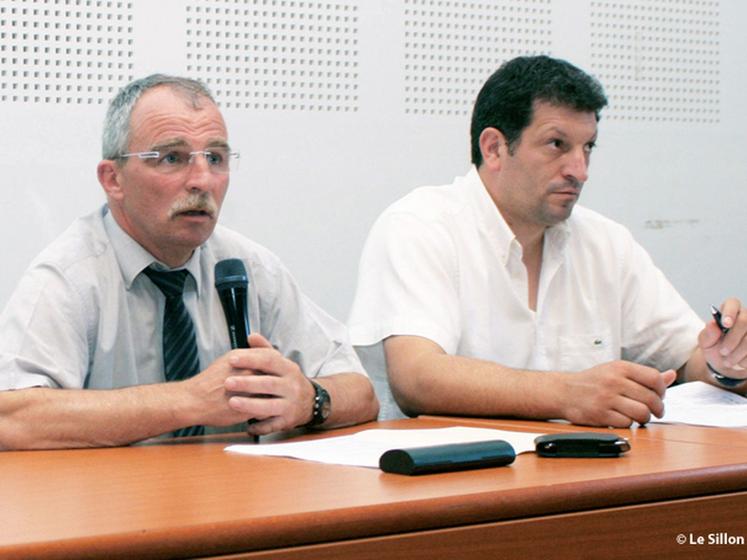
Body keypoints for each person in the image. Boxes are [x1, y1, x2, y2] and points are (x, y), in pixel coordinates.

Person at [348, 55, 746, 427]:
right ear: (494, 148)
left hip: (583, 481)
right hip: (446, 486)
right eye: (557, 145)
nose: (580, 170)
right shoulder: (420, 225)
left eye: (587, 147)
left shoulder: (606, 243)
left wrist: (724, 364)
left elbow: (687, 360)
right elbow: (417, 378)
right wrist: (567, 393)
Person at [0, 74, 378, 450]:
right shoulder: (69, 277)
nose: (202, 180)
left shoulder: (247, 266)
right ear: (113, 179)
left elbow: (360, 392)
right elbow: (12, 420)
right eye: (172, 158)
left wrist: (309, 400)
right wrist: (189, 400)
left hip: (233, 499)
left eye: (215, 158)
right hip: (110, 504)